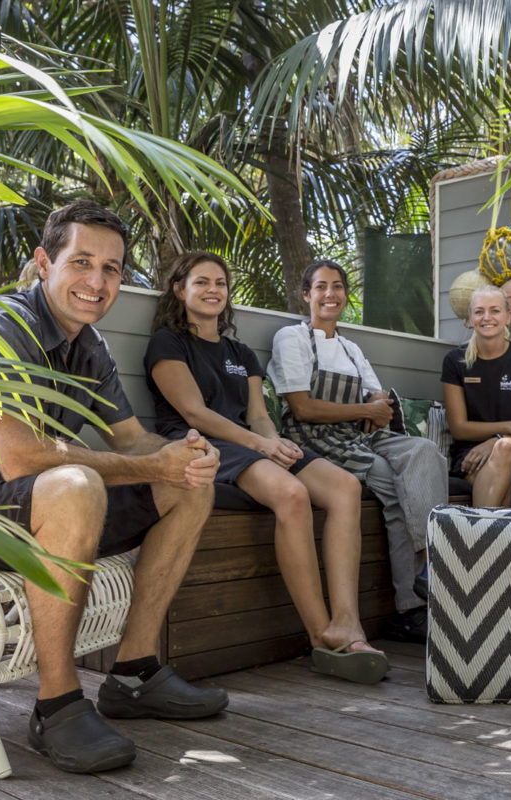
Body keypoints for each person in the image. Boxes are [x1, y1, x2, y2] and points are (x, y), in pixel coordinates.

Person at [0, 202, 227, 774]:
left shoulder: (87, 345)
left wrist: (188, 454)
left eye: (113, 269)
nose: (97, 282)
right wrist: (156, 467)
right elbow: (22, 458)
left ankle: (133, 673)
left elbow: (129, 440)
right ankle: (56, 704)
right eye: (82, 262)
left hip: (27, 515)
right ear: (43, 262)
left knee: (190, 487)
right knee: (73, 484)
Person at [144, 251, 388, 684]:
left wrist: (275, 442)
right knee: (291, 495)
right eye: (201, 282)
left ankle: (347, 622)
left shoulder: (240, 353)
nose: (213, 290)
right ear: (180, 290)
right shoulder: (169, 342)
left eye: (220, 282)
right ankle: (319, 636)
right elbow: (194, 412)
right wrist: (260, 444)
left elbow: (257, 414)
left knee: (345, 487)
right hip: (199, 444)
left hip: (251, 441)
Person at [268, 259, 449, 643]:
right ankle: (410, 608)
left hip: (359, 435)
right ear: (306, 295)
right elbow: (302, 408)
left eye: (337, 287)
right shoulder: (292, 338)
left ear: (346, 296)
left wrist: (375, 406)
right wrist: (366, 409)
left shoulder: (351, 348)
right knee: (396, 487)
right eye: (321, 287)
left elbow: (378, 396)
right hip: (315, 439)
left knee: (425, 452)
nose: (330, 294)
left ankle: (431, 567)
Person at [441, 285, 511, 506]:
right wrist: (506, 428)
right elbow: (459, 428)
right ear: (469, 319)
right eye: (479, 312)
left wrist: (497, 441)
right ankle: (495, 539)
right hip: (471, 451)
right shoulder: (454, 361)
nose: (486, 317)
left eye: (495, 311)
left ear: (508, 317)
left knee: (504, 448)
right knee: (504, 489)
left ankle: (476, 537)